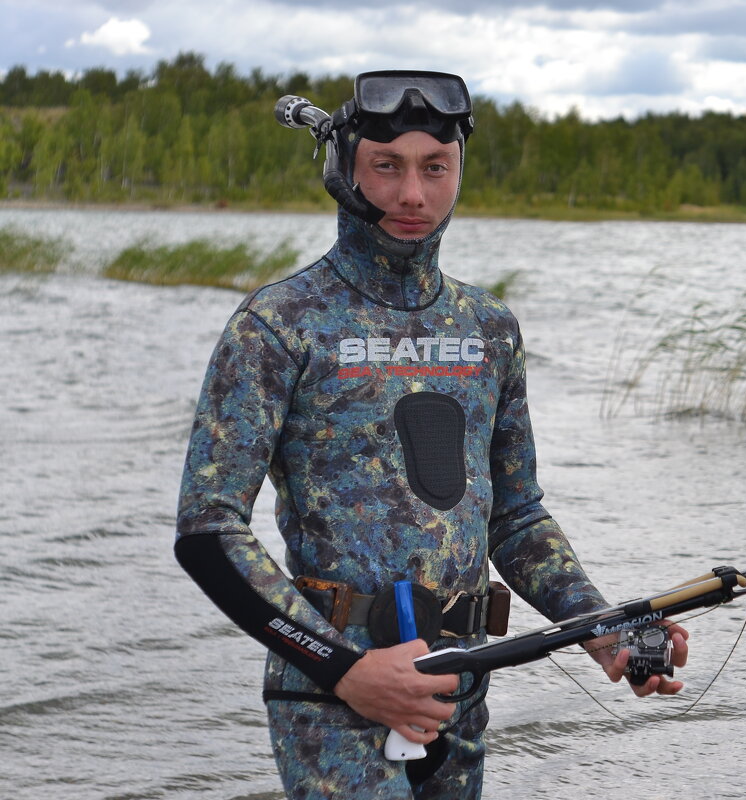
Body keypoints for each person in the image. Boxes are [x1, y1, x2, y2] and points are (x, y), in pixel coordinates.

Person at [174, 70, 688, 799]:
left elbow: (515, 517)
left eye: (434, 168)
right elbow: (208, 530)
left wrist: (601, 629)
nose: (413, 195)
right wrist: (345, 669)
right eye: (387, 167)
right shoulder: (279, 325)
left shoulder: (488, 328)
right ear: (342, 171)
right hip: (334, 698)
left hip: (461, 691)